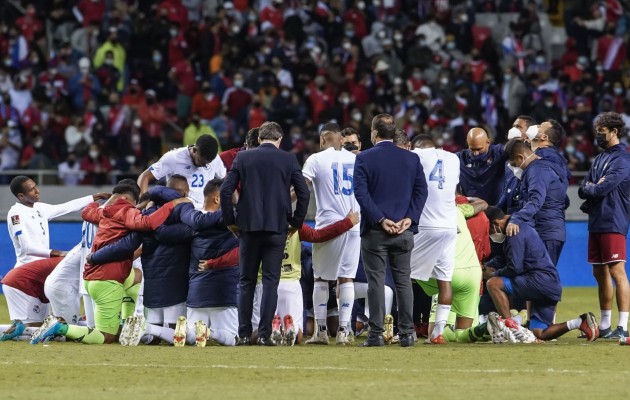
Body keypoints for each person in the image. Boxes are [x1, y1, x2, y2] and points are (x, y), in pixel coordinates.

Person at [30, 182, 190, 345]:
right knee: (106, 336)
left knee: (137, 276)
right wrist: (171, 205)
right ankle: (59, 327)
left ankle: (127, 322)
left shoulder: (103, 212)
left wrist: (95, 201)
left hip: (95, 276)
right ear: (126, 199)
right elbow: (146, 223)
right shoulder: (126, 210)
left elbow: (86, 212)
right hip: (107, 280)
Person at [220, 121, 310, 346]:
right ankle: (264, 335)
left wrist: (230, 221)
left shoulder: (243, 158)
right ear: (279, 141)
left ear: (259, 139)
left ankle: (242, 334)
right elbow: (303, 193)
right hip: (277, 228)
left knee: (246, 281)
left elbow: (225, 190)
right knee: (271, 282)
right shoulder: (288, 159)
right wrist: (295, 222)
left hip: (248, 229)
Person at [353, 114, 428, 347]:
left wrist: (380, 219)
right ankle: (407, 334)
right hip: (404, 231)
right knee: (404, 281)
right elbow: (421, 192)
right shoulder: (411, 159)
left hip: (376, 231)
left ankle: (376, 335)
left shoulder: (364, 157)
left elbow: (361, 193)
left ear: (374, 133)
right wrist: (410, 218)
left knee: (376, 282)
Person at [482, 206, 600, 342]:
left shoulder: (513, 231)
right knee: (539, 333)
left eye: (488, 230)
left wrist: (494, 274)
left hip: (538, 281)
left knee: (493, 284)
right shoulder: (519, 226)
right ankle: (580, 322)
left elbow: (515, 268)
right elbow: (506, 258)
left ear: (496, 223)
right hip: (551, 284)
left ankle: (512, 328)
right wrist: (489, 266)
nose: (490, 234)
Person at [302, 122, 360, 345]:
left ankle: (321, 331)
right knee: (347, 278)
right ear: (340, 139)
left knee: (321, 278)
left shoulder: (316, 159)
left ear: (322, 139)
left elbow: (302, 187)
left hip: (328, 226)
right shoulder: (355, 159)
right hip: (354, 224)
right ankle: (344, 331)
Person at [578, 112, 630, 339]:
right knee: (599, 272)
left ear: (614, 132)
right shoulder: (599, 159)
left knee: (617, 271)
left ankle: (624, 326)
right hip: (597, 220)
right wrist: (591, 185)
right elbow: (582, 187)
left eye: (602, 131)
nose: (598, 135)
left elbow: (599, 189)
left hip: (613, 219)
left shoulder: (623, 159)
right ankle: (606, 324)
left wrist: (592, 186)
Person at [410, 135, 460, 344]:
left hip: (426, 225)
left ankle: (403, 328)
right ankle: (437, 333)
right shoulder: (454, 159)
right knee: (444, 280)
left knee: (402, 275)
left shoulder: (416, 154)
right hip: (450, 225)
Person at [7, 176, 109, 269]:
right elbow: (27, 248)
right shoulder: (16, 213)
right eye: (31, 189)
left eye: (35, 186)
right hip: (25, 269)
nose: (37, 191)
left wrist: (95, 196)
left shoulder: (40, 208)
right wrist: (59, 253)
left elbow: (68, 206)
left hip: (41, 266)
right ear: (21, 196)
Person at [504, 140, 568, 266]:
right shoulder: (543, 168)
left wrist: (516, 218)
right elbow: (565, 200)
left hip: (546, 231)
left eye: (514, 163)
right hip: (550, 229)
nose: (514, 167)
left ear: (520, 157)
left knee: (542, 278)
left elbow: (535, 200)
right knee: (539, 277)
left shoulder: (537, 170)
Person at [137, 134, 226, 209]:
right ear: (195, 150)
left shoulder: (215, 159)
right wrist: (143, 202)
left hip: (205, 210)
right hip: (181, 209)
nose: (205, 165)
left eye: (208, 163)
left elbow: (225, 180)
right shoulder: (173, 157)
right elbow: (145, 176)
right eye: (202, 162)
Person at [0, 257, 63, 342]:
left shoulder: (71, 261)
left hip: (32, 285)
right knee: (36, 328)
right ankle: (16, 329)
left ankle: (15, 329)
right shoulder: (74, 265)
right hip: (21, 284)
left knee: (43, 326)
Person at [457, 127, 506, 205]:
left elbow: (519, 149)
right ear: (467, 143)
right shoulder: (459, 158)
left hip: (495, 209)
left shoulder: (498, 153)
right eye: (472, 149)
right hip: (471, 209)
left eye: (479, 149)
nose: (476, 153)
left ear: (488, 142)